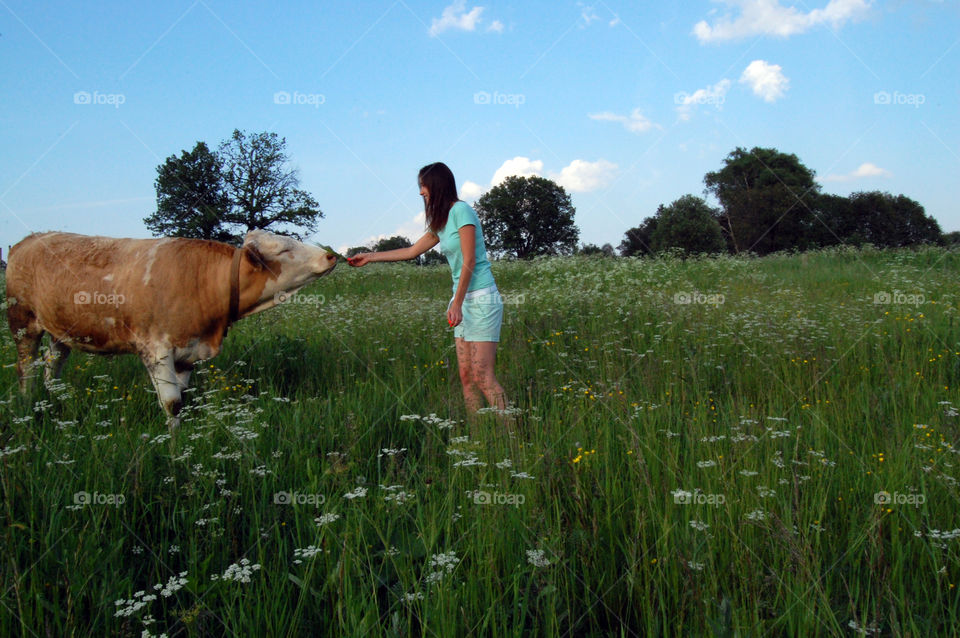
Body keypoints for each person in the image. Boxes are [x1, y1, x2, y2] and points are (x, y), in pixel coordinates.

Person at [349, 162, 508, 417]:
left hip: (481, 300)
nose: (421, 192)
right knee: (466, 377)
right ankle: (480, 439)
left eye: (424, 186)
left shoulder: (462, 211)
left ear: (437, 185)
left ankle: (508, 437)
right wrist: (370, 256)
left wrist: (456, 303)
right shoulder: (441, 221)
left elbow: (469, 260)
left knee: (482, 376)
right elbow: (411, 251)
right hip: (462, 301)